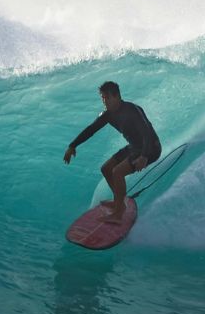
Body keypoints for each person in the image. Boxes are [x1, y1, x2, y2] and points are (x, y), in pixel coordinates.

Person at [63, 81, 161, 223]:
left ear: (116, 96)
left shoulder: (133, 110)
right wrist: (73, 146)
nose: (104, 101)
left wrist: (144, 156)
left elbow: (147, 133)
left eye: (107, 98)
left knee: (117, 172)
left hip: (151, 148)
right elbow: (91, 129)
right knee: (106, 169)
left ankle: (119, 213)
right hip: (134, 147)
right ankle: (118, 202)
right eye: (102, 98)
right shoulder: (108, 115)